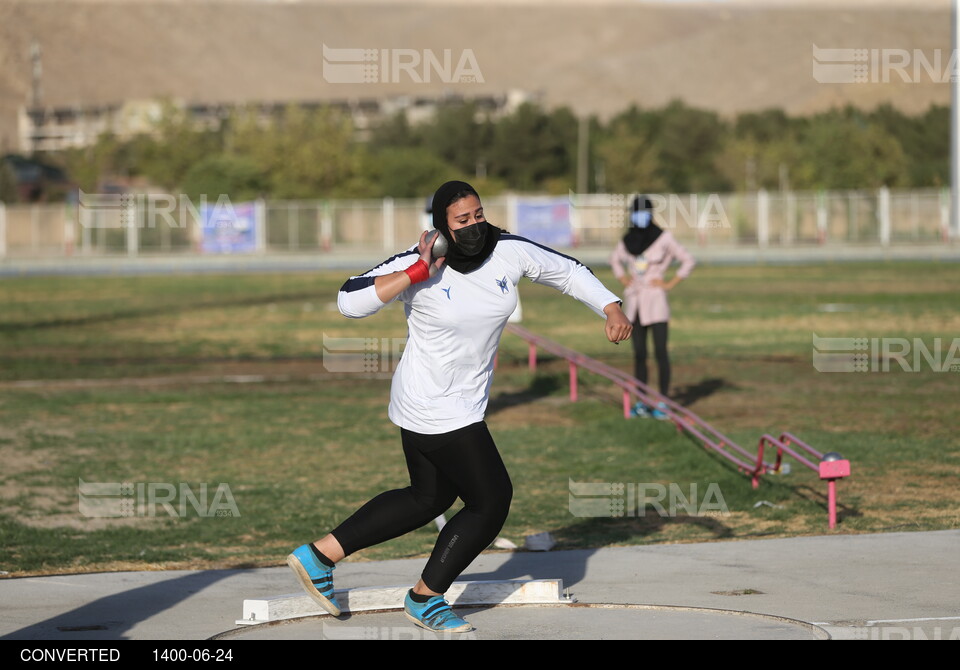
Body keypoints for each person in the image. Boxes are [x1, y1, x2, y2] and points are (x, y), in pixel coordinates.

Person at [287, 180, 632, 634]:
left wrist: (610, 306)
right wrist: (416, 273)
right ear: (441, 226)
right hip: (433, 403)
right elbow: (349, 300)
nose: (473, 226)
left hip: (459, 401)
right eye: (461, 220)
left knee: (427, 498)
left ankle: (318, 557)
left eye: (478, 215)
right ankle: (425, 598)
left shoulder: (508, 250)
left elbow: (566, 271)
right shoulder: (420, 260)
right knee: (491, 502)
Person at [610, 195, 695, 419]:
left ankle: (663, 402)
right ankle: (642, 402)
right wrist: (622, 277)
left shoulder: (663, 238)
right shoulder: (628, 239)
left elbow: (687, 260)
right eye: (637, 212)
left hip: (656, 302)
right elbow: (615, 260)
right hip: (634, 303)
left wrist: (669, 283)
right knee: (639, 354)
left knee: (660, 353)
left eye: (644, 212)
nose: (640, 217)